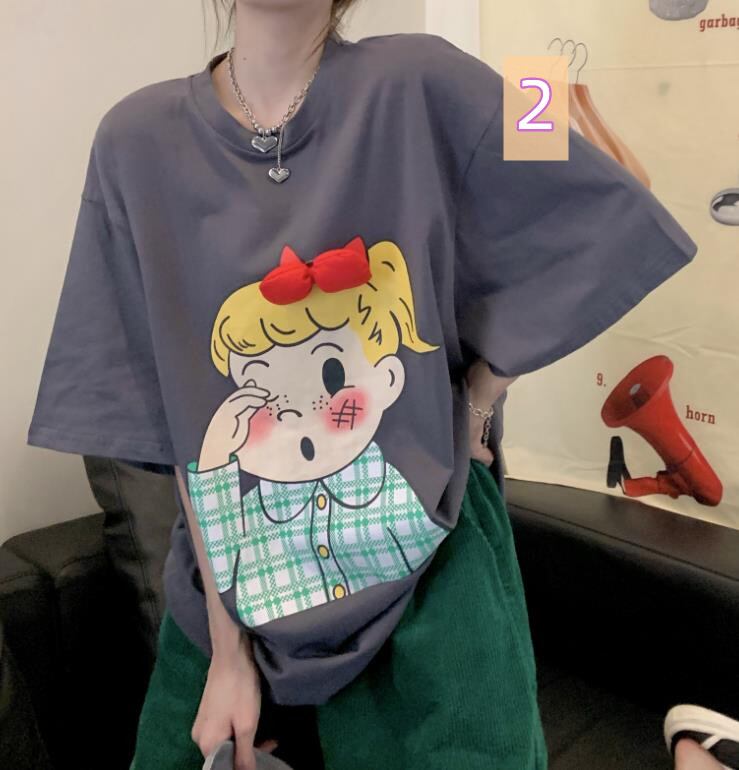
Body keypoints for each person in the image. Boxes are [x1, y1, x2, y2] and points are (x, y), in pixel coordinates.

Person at [26, 1, 699, 768]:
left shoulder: (427, 78)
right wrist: (226, 651)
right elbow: (180, 418)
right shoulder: (134, 142)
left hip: (433, 574)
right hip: (236, 586)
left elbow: (609, 207)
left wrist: (479, 397)